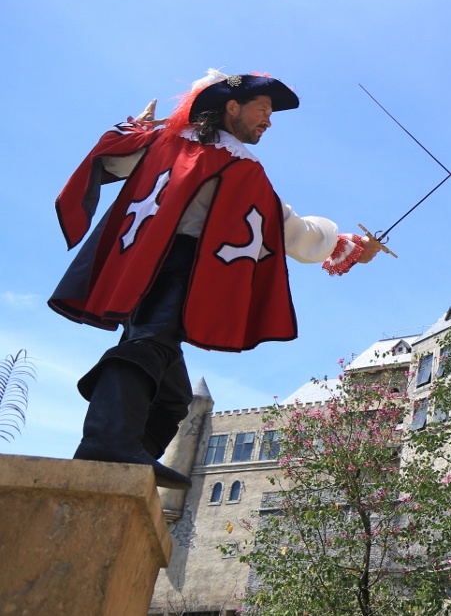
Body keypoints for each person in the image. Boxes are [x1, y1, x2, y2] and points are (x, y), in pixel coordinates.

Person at [50, 69, 378, 490]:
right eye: (262, 109)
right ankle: (106, 443)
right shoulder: (237, 163)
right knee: (149, 345)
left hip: (144, 268)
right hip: (182, 266)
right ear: (231, 106)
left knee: (171, 396)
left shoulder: (167, 143)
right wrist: (347, 243)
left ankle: (118, 471)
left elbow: (116, 154)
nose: (269, 120)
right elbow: (292, 232)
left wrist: (135, 128)